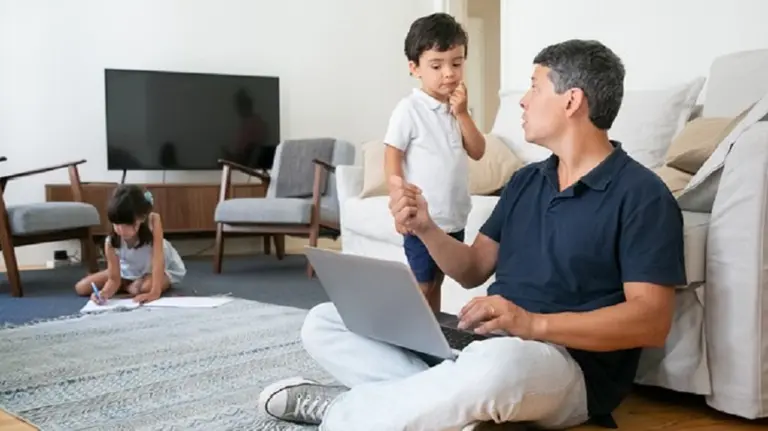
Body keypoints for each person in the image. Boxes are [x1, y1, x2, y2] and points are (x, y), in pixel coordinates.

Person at [257, 39, 686, 430]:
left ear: (572, 100)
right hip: (482, 344)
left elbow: (650, 322)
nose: (522, 101)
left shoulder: (642, 195)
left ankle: (344, 415)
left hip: (564, 364)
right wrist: (425, 227)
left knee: (499, 365)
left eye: (534, 88)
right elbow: (472, 269)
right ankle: (448, 408)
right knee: (326, 321)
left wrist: (531, 324)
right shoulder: (526, 182)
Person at [384, 13, 486, 313]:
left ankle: (435, 335)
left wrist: (463, 113)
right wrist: (398, 203)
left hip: (453, 217)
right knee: (423, 283)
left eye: (457, 63)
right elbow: (392, 156)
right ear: (414, 68)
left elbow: (478, 151)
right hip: (421, 219)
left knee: (437, 282)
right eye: (437, 65)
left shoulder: (458, 108)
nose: (449, 74)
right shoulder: (409, 110)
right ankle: (413, 334)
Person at [74, 185, 186, 304]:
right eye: (117, 225)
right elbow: (113, 280)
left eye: (127, 225)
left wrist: (154, 292)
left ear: (141, 218)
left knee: (145, 288)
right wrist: (104, 293)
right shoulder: (110, 242)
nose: (121, 230)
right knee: (81, 287)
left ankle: (134, 284)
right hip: (128, 269)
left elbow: (158, 260)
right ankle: (130, 285)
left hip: (159, 268)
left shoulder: (153, 221)